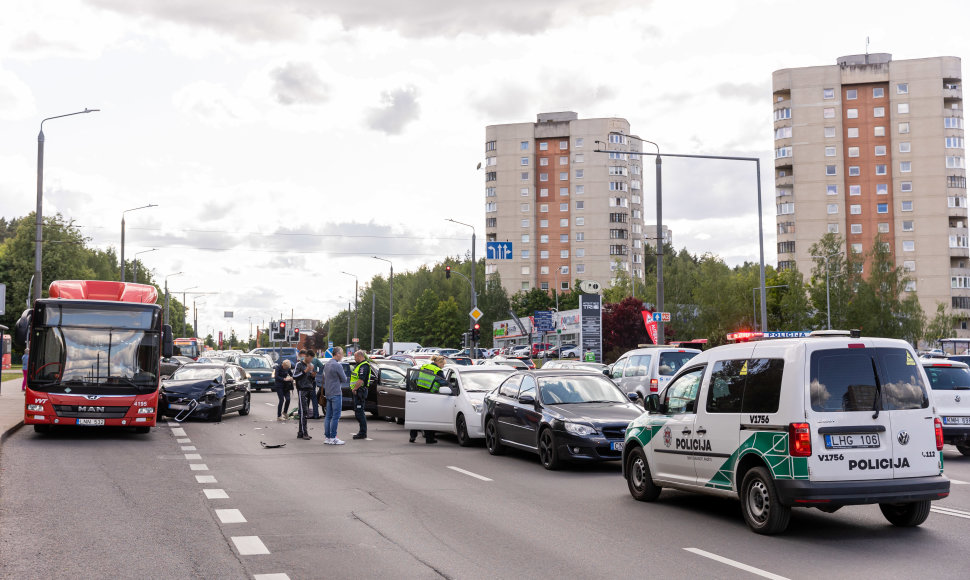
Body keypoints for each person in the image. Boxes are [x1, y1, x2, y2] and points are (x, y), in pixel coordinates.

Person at [410, 354, 446, 444]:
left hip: (418, 393)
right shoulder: (438, 371)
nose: (443, 366)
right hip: (430, 396)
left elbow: (414, 378)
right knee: (428, 417)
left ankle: (412, 436)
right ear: (439, 363)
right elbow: (444, 383)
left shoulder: (424, 367)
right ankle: (429, 439)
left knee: (416, 416)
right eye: (443, 365)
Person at [321, 347, 347, 445]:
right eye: (342, 353)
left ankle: (327, 437)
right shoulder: (337, 365)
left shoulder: (327, 364)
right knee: (336, 416)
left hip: (328, 392)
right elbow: (344, 379)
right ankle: (333, 437)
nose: (342, 355)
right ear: (337, 354)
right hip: (336, 392)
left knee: (328, 416)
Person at [349, 350, 375, 440]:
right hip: (358, 391)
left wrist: (355, 388)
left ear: (360, 356)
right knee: (358, 412)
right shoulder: (360, 365)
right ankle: (362, 432)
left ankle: (363, 433)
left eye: (355, 357)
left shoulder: (364, 366)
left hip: (360, 391)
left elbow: (360, 380)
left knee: (360, 412)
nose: (354, 359)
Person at [293, 350, 317, 440]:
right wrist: (305, 371)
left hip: (309, 389)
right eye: (310, 359)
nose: (310, 361)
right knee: (304, 411)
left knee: (304, 412)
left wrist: (312, 376)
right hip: (301, 390)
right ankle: (304, 433)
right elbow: (294, 376)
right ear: (306, 356)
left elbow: (310, 379)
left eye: (312, 359)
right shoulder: (299, 365)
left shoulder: (311, 365)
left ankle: (300, 432)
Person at [310, 349, 325, 419]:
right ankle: (316, 414)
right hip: (313, 380)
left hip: (305, 381)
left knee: (305, 398)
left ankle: (305, 413)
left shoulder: (303, 360)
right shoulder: (315, 360)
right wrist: (317, 373)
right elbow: (322, 367)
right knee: (314, 398)